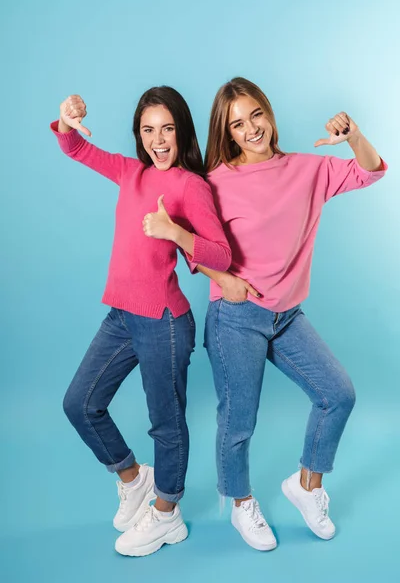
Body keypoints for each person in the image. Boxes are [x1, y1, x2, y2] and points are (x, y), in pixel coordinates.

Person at [198, 77, 387, 550]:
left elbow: (371, 172)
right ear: (228, 133)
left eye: (255, 115)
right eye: (237, 124)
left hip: (286, 317)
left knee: (337, 394)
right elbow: (194, 249)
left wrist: (354, 137)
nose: (250, 129)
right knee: (238, 421)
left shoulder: (307, 169)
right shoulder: (216, 182)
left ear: (268, 113)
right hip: (236, 317)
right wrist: (225, 281)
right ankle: (241, 505)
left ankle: (307, 487)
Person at [50, 86, 231, 557]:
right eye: (149, 130)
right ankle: (134, 478)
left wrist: (174, 231)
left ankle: (168, 515)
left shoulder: (192, 185)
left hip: (165, 323)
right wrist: (67, 119)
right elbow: (74, 147)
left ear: (181, 131)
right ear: (140, 136)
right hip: (122, 316)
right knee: (80, 404)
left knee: (166, 425)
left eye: (167, 128)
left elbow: (221, 254)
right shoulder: (132, 173)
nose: (159, 139)